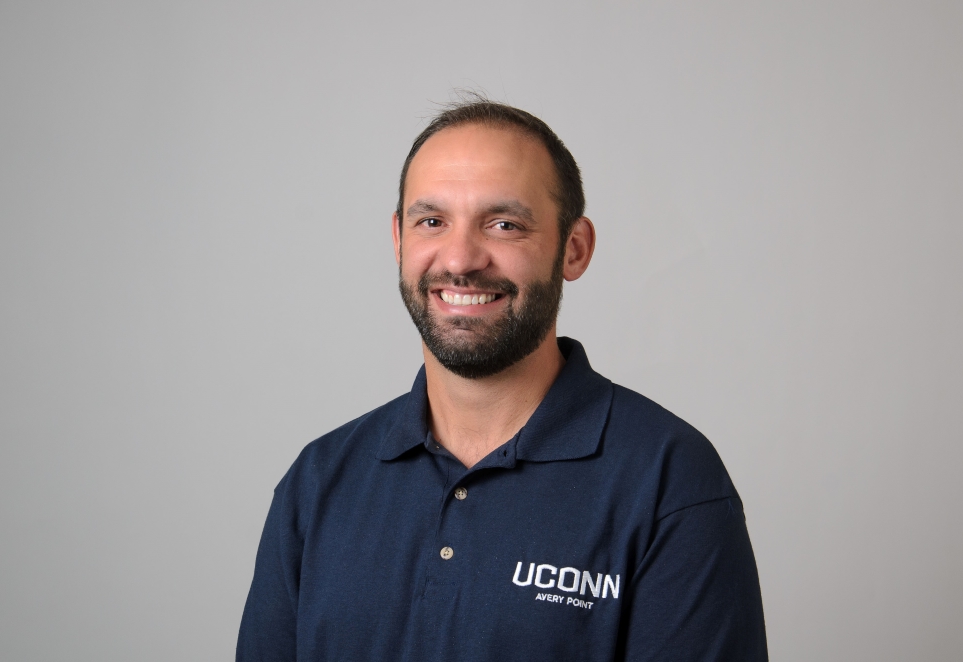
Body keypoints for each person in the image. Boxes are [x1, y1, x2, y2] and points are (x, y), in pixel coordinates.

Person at [236, 96, 768, 661]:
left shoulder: (669, 481)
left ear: (575, 247)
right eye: (432, 221)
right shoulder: (319, 482)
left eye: (504, 224)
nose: (461, 258)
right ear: (398, 239)